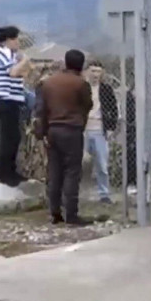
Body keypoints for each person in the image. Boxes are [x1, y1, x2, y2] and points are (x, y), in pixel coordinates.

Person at [35, 49, 94, 226]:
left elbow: (41, 110)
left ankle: (55, 213)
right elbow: (87, 105)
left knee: (54, 171)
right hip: (72, 130)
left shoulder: (48, 83)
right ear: (81, 65)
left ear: (65, 62)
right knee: (72, 172)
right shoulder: (80, 84)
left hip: (52, 130)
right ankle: (72, 214)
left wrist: (42, 133)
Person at [0, 25, 31, 187]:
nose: (18, 43)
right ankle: (4, 173)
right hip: (3, 99)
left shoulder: (7, 54)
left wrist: (20, 64)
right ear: (8, 40)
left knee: (13, 137)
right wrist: (24, 60)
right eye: (16, 39)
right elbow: (13, 72)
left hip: (9, 99)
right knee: (8, 138)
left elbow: (22, 73)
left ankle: (10, 171)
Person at [84, 60, 119, 205]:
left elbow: (114, 110)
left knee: (102, 165)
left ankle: (104, 194)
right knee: (80, 164)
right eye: (92, 71)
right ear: (87, 72)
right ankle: (78, 193)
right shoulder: (82, 88)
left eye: (98, 71)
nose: (95, 74)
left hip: (99, 130)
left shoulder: (106, 89)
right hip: (83, 130)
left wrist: (110, 128)